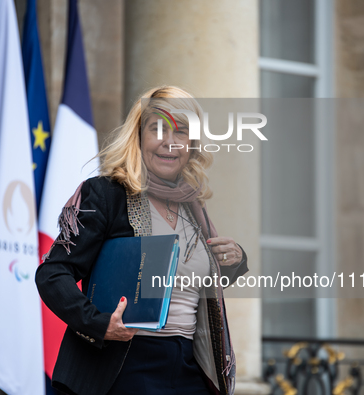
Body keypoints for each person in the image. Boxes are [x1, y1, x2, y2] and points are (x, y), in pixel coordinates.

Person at [35, 86, 249, 395]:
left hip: (189, 368)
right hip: (124, 366)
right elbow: (53, 273)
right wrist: (99, 324)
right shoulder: (105, 194)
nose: (170, 142)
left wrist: (234, 260)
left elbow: (183, 283)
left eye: (182, 131)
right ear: (138, 135)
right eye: (158, 128)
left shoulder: (195, 207)